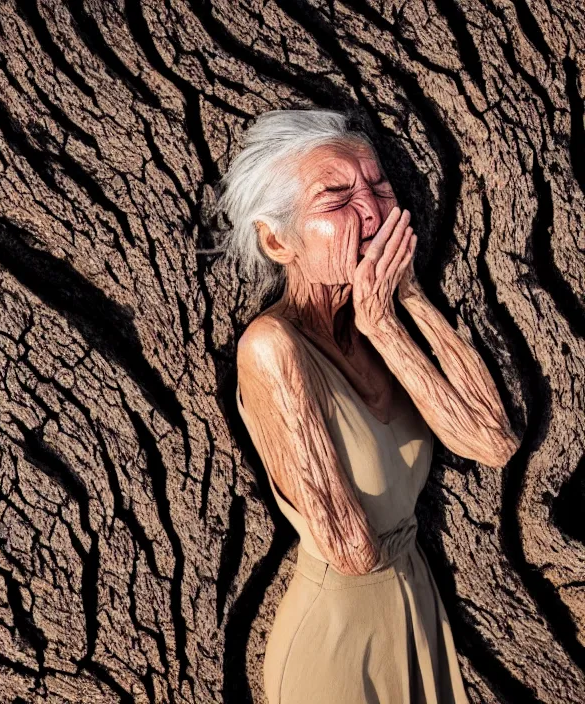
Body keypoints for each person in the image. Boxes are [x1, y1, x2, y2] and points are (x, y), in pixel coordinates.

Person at [220, 110, 518, 703]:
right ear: (278, 240)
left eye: (379, 187)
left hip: (417, 609)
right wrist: (380, 313)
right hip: (338, 643)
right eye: (336, 198)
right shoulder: (272, 348)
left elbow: (493, 441)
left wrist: (400, 307)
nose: (374, 212)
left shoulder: (375, 328)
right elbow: (351, 551)